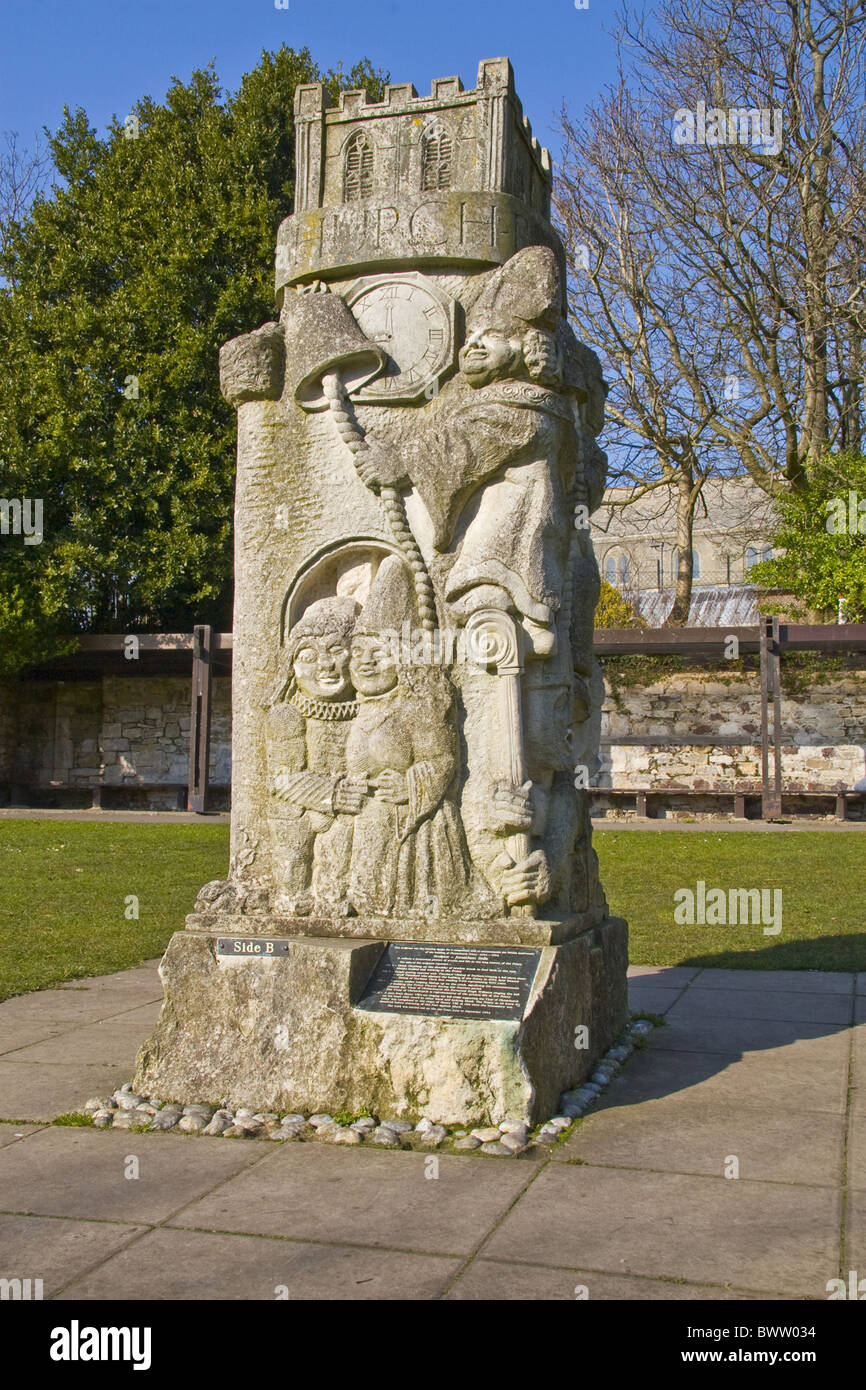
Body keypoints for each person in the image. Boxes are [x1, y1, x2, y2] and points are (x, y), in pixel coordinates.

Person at [265, 596, 362, 914]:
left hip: (347, 807)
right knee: (292, 841)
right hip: (298, 808)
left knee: (346, 836)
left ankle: (334, 895)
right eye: (309, 655)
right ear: (291, 667)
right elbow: (282, 779)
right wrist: (330, 795)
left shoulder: (366, 713)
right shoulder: (286, 714)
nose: (325, 664)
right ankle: (291, 893)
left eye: (336, 651)